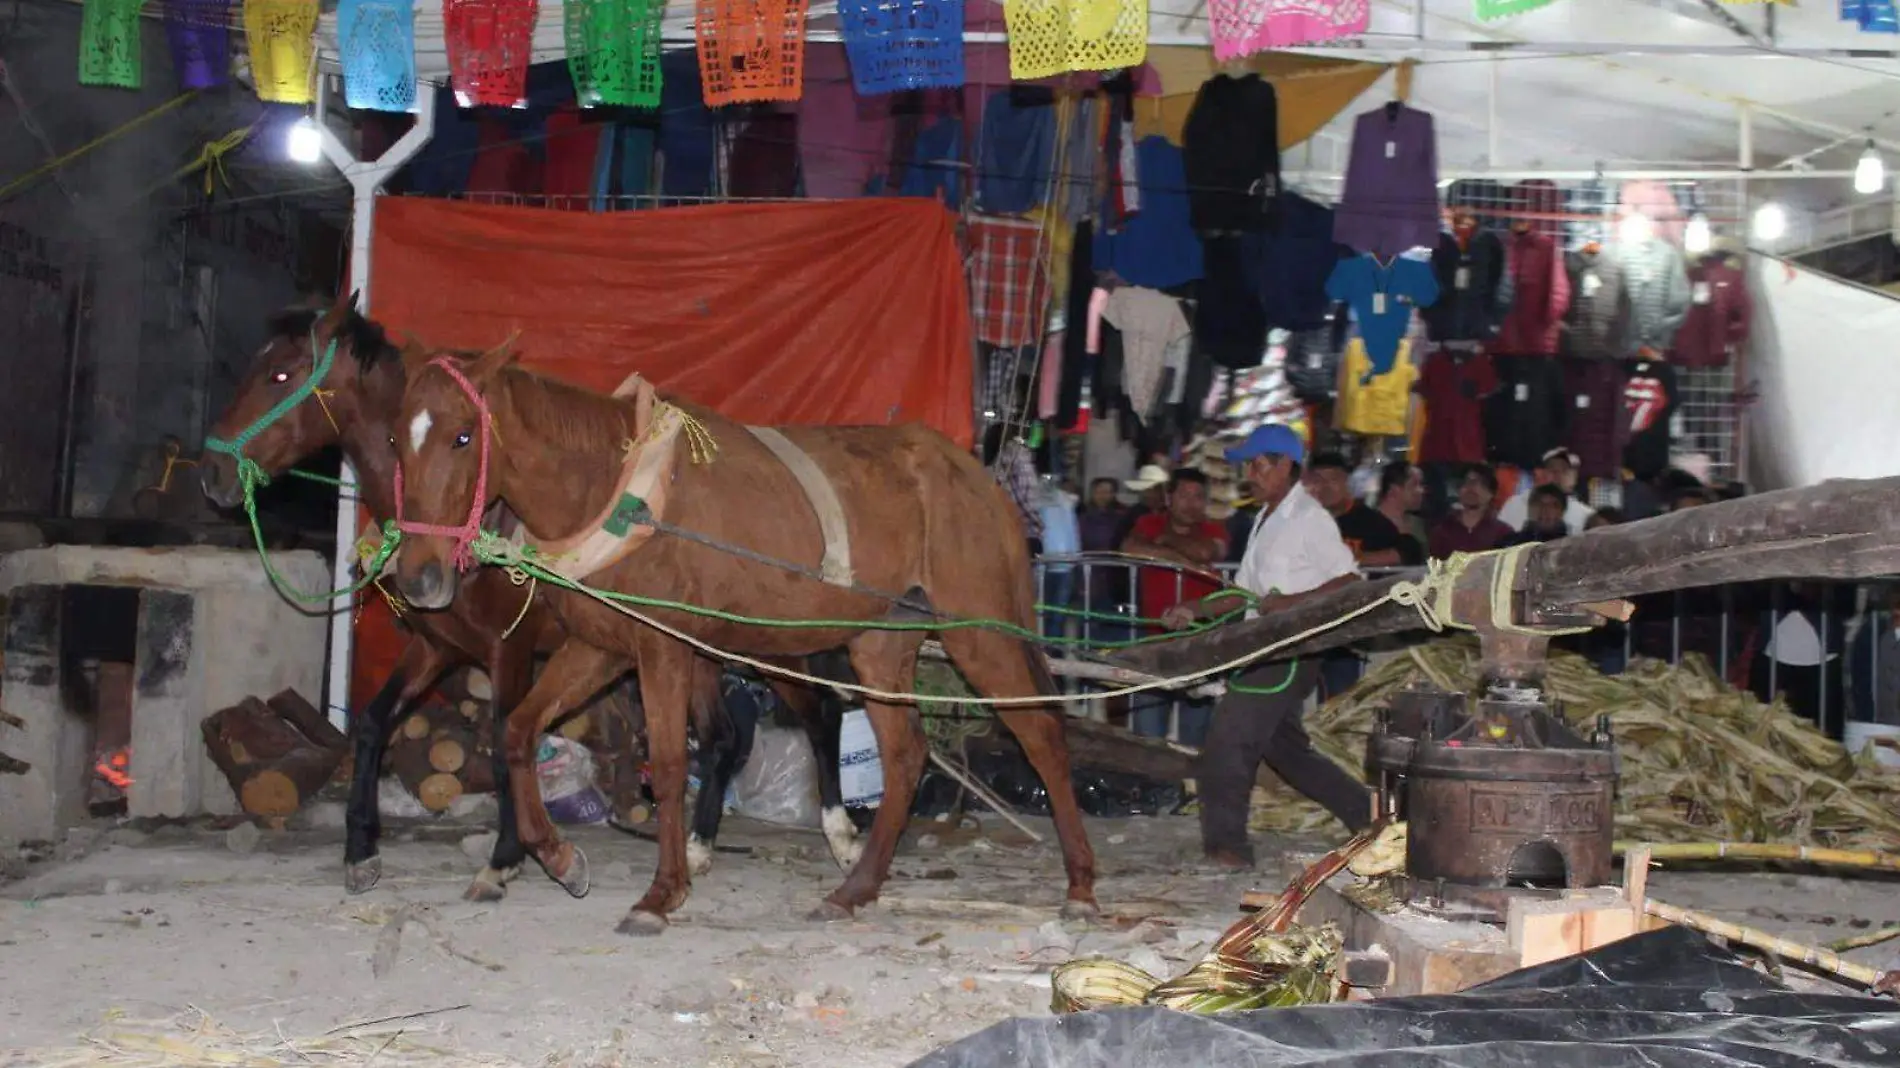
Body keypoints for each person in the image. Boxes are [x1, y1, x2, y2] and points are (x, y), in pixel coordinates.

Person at [1159, 425, 1372, 866]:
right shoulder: (1263, 518)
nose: (1249, 474)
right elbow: (1244, 593)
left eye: (1257, 465)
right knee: (1287, 752)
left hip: (1291, 650)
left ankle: (1227, 847)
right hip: (1266, 646)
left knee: (1228, 738)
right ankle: (1371, 817)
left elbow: (1351, 580)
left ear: (1284, 466)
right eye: (1248, 466)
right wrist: (1195, 609)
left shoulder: (1310, 518)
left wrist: (1292, 603)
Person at [1121, 469, 1228, 744]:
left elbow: (1208, 552)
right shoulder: (1148, 522)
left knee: (1195, 733)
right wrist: (1185, 560)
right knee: (1148, 732)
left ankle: (1190, 785)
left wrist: (1164, 543)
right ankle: (1151, 784)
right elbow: (1129, 548)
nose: (1190, 503)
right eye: (1184, 495)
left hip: (1200, 640)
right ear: (1169, 497)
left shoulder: (1214, 528)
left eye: (1198, 497)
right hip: (1154, 640)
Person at [1304, 451, 1405, 700]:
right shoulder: (1300, 521)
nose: (1326, 487)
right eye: (1318, 479)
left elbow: (1404, 552)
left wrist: (1352, 561)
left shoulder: (1370, 522)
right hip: (1302, 619)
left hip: (1347, 625)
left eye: (1333, 479)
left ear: (1346, 482)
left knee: (1339, 698)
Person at [1497, 448, 1596, 534]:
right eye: (1552, 470)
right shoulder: (1514, 504)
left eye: (1564, 470)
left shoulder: (1585, 515)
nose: (1558, 475)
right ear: (1540, 473)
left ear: (1574, 478)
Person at [1426, 464, 1514, 560]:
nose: (1471, 488)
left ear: (1491, 493)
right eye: (1466, 483)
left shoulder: (1503, 533)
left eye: (1481, 484)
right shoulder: (1442, 531)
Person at [1374, 461, 1428, 565]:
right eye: (1414, 484)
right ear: (1393, 489)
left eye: (1421, 485)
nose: (1421, 491)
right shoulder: (1367, 524)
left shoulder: (1419, 525)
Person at [1507, 484, 1571, 545]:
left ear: (1562, 511)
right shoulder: (1511, 543)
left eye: (1553, 506)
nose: (1545, 510)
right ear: (1530, 509)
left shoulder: (1571, 546)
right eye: (1540, 504)